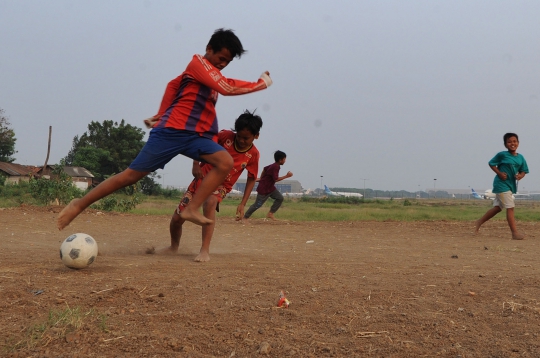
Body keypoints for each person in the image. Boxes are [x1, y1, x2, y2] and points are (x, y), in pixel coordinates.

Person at [57, 28, 272, 230]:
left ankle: (191, 208)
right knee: (130, 176)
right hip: (172, 131)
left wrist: (159, 113)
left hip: (195, 136)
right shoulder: (199, 65)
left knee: (224, 161)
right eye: (221, 58)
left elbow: (172, 84)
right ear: (209, 49)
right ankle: (80, 204)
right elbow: (226, 87)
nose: (223, 64)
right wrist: (260, 84)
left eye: (228, 61)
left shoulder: (207, 74)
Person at [164, 110, 262, 262]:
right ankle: (173, 247)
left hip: (221, 185)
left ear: (256, 136)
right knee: (177, 218)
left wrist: (242, 203)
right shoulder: (224, 136)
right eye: (239, 136)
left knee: (210, 202)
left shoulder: (253, 154)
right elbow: (200, 144)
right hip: (201, 179)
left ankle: (204, 250)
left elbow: (251, 179)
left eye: (246, 138)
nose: (242, 140)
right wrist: (196, 164)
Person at [475, 133, 529, 240]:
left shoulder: (521, 157)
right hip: (501, 184)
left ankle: (479, 222)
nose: (512, 144)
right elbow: (491, 163)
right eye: (509, 142)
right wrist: (499, 173)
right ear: (505, 144)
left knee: (498, 208)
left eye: (514, 141)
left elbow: (524, 171)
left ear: (518, 143)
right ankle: (514, 233)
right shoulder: (502, 155)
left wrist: (520, 176)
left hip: (510, 185)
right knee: (510, 207)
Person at [243, 150, 292, 221]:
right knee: (257, 205)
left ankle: (270, 213)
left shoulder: (274, 165)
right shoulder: (275, 167)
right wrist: (286, 176)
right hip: (264, 189)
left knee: (280, 198)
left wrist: (261, 178)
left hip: (270, 188)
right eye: (284, 159)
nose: (285, 161)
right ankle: (245, 217)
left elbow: (264, 169)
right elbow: (275, 179)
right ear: (280, 160)